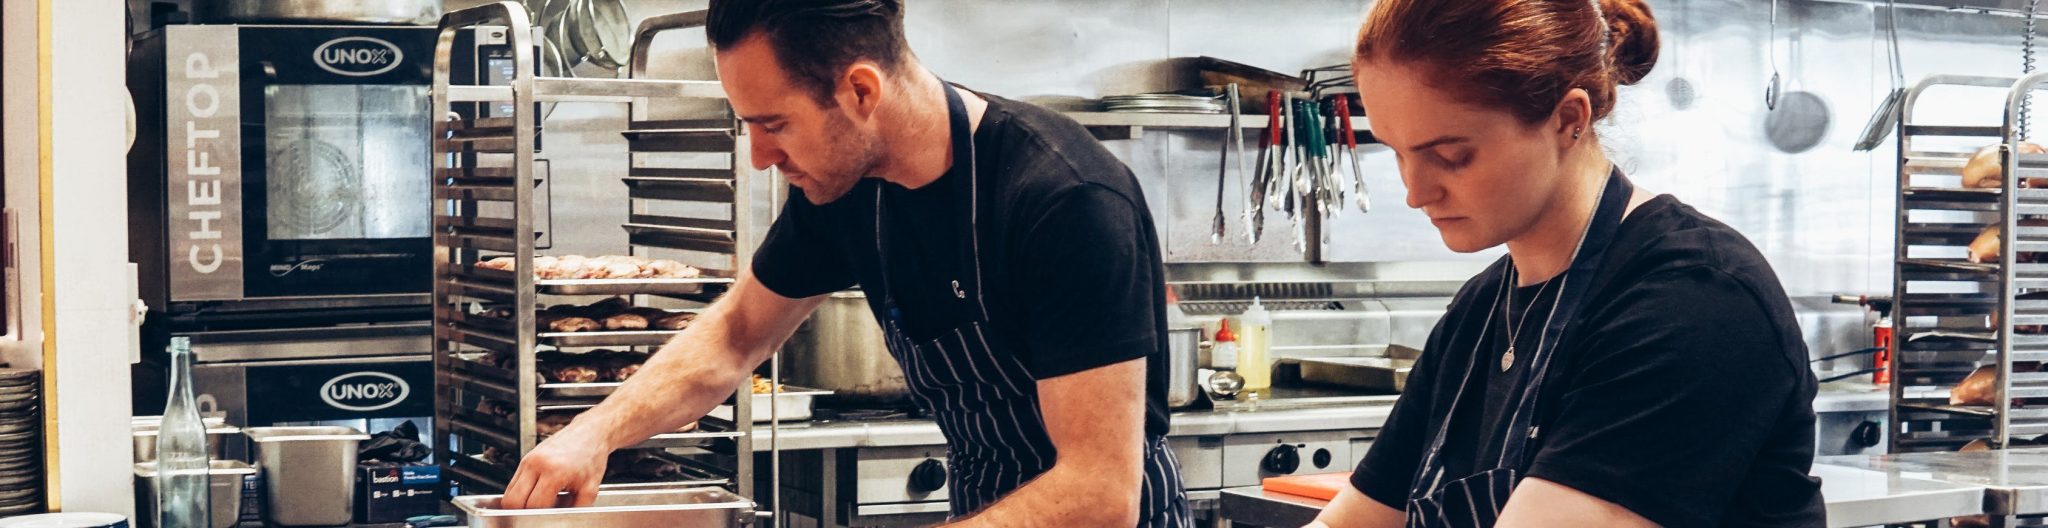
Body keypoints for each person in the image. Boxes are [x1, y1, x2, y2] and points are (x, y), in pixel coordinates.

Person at [498, 0, 1193, 525]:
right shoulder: (848, 189)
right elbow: (737, 334)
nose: (759, 157)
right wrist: (594, 433)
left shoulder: (1063, 199)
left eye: (773, 124)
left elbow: (1099, 492)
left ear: (861, 91)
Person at [1309, 1, 1826, 527]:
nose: (1415, 192)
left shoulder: (1695, 300)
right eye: (1397, 152)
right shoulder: (1481, 310)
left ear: (1568, 120)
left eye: (1451, 155)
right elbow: (1352, 522)